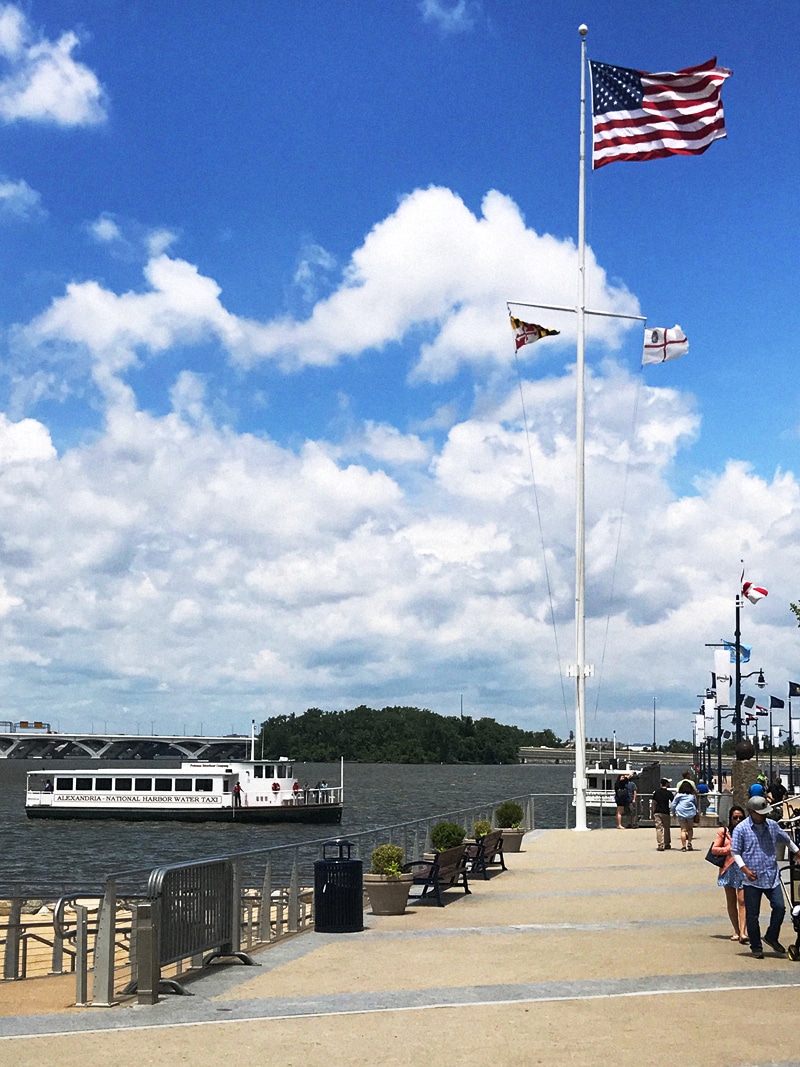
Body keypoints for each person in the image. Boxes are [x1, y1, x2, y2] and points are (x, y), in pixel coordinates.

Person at [731, 794, 800, 959]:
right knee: (752, 914)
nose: (763, 815)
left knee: (780, 908)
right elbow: (735, 852)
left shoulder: (773, 826)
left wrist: (797, 852)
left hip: (771, 875)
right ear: (751, 812)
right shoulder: (741, 829)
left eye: (765, 813)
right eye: (760, 813)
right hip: (751, 878)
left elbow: (787, 841)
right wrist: (745, 869)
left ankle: (771, 936)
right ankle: (756, 946)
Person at [712, 805, 747, 942]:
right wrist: (730, 849)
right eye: (735, 818)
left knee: (743, 900)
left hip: (743, 868)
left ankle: (743, 931)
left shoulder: (748, 831)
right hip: (728, 869)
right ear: (730, 819)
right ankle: (736, 930)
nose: (738, 820)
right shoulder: (724, 831)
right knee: (731, 901)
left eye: (740, 818)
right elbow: (715, 849)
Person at [670, 780, 698, 851]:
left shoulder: (678, 795)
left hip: (681, 813)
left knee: (683, 830)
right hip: (691, 813)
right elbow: (696, 804)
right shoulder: (692, 796)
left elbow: (673, 804)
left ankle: (683, 846)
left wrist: (673, 812)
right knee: (690, 829)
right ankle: (689, 843)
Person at [651, 777, 673, 851]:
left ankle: (660, 844)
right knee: (667, 828)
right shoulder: (668, 793)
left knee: (659, 828)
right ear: (666, 784)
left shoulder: (656, 792)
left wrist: (653, 811)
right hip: (665, 812)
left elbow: (654, 802)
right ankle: (667, 843)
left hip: (657, 812)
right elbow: (673, 801)